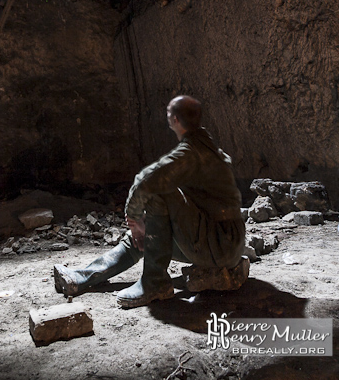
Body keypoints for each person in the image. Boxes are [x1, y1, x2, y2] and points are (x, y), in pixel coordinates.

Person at [54, 95, 245, 308]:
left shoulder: (192, 153)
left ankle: (155, 283)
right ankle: (80, 278)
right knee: (149, 231)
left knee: (157, 194)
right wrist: (145, 226)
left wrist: (134, 219)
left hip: (217, 246)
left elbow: (144, 182)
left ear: (174, 121)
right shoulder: (212, 151)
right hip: (225, 244)